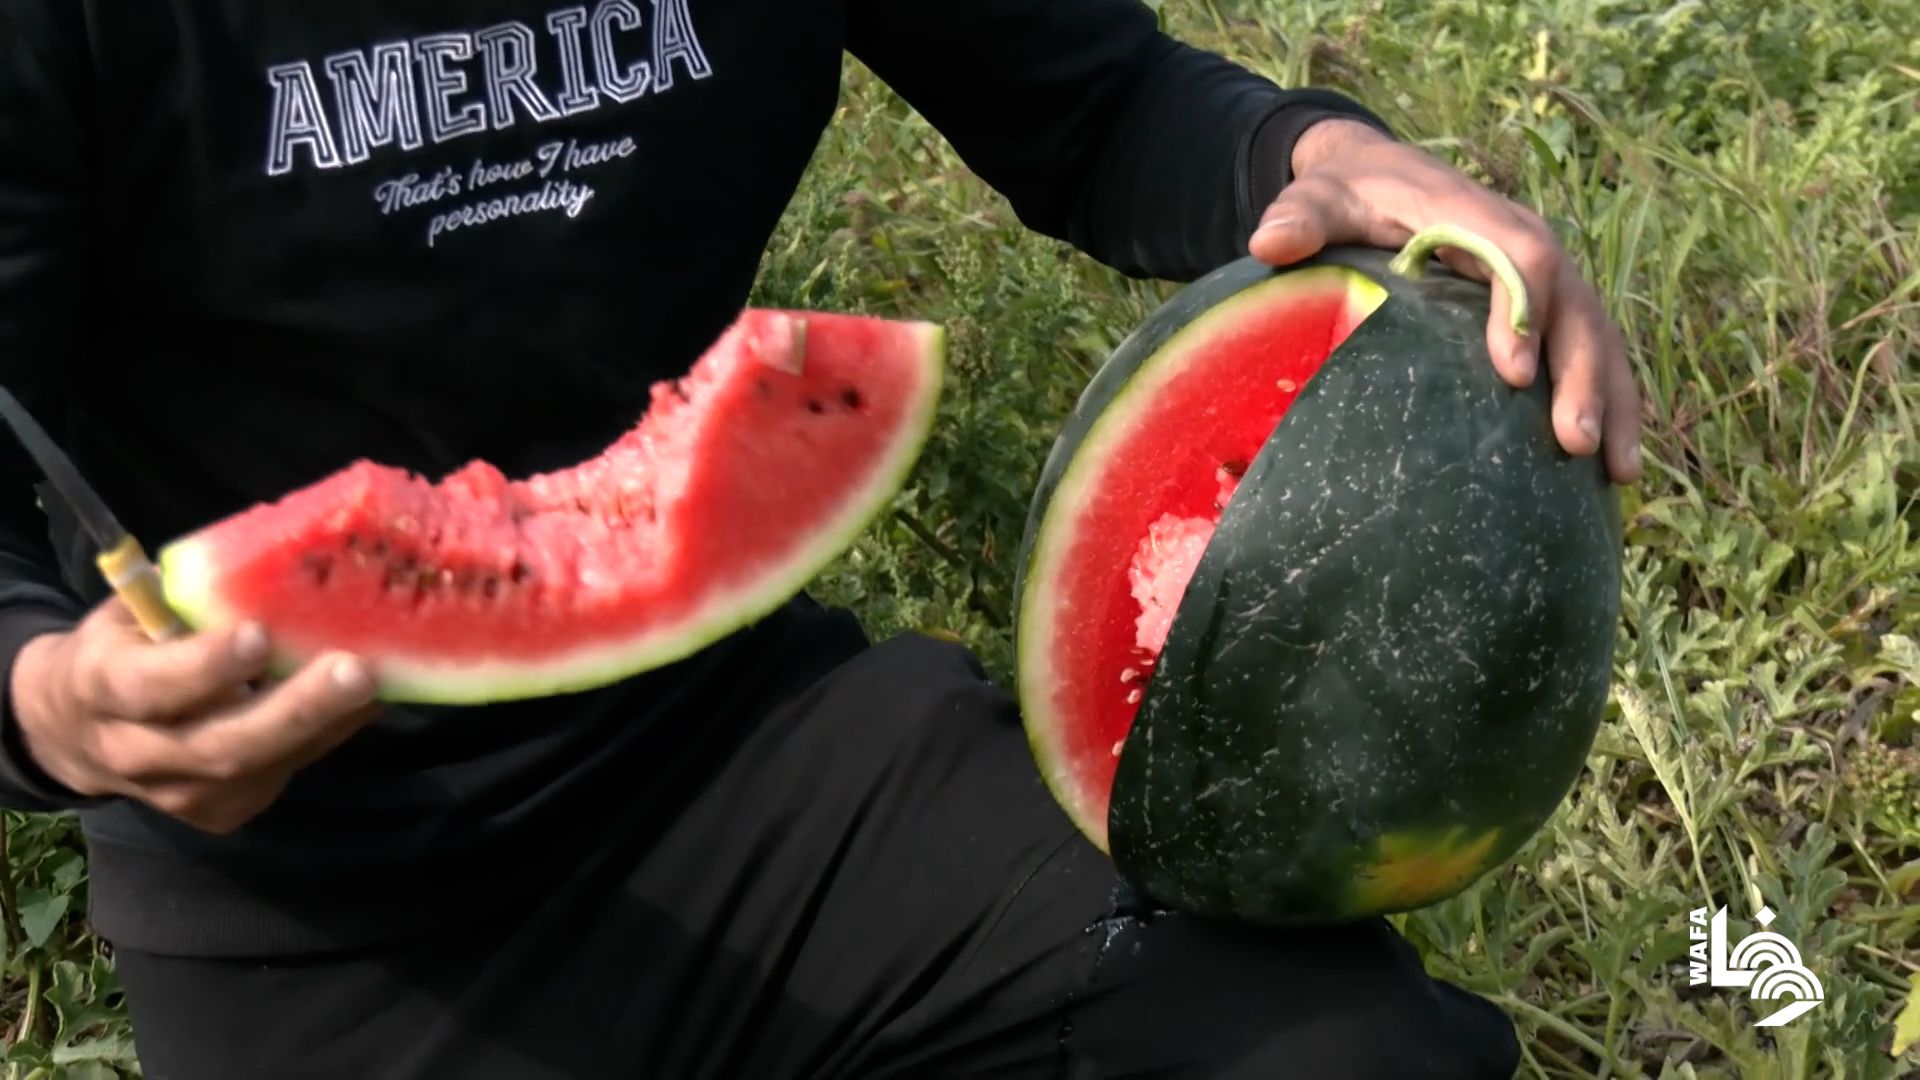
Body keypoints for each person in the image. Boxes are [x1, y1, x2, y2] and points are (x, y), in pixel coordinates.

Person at [0, 1, 1641, 1076]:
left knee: (1337, 1053)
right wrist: (47, 694)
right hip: (317, 901)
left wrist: (1316, 154)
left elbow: (1093, 99)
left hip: (737, 748)